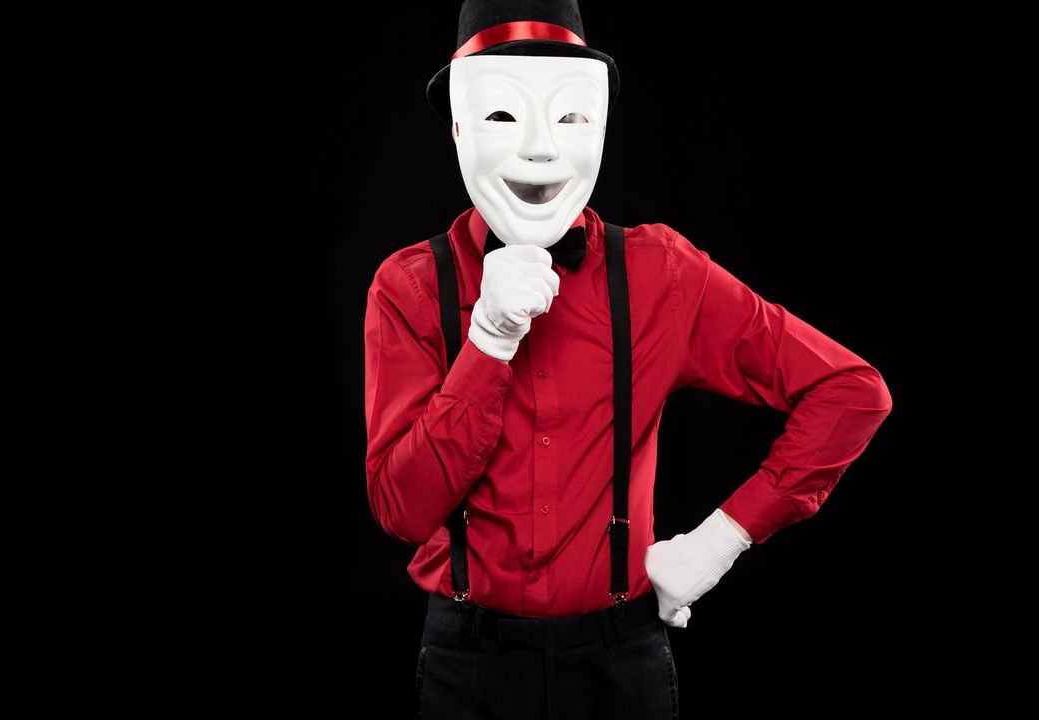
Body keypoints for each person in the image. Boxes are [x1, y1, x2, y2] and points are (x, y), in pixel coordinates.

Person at [363, 2, 892, 717]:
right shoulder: (412, 286)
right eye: (502, 116)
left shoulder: (659, 274)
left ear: (601, 126)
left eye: (569, 117)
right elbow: (402, 510)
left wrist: (719, 542)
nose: (540, 151)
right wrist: (487, 341)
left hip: (619, 664)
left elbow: (852, 391)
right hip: (470, 662)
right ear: (459, 127)